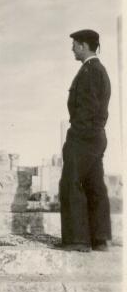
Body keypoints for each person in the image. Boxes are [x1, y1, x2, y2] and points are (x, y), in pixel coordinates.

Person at [58, 29, 111, 252]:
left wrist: (76, 135)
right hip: (96, 136)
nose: (72, 49)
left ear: (83, 46)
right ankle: (100, 239)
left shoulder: (89, 71)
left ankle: (77, 240)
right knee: (94, 185)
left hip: (84, 137)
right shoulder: (98, 70)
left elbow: (88, 108)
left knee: (71, 183)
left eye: (75, 45)